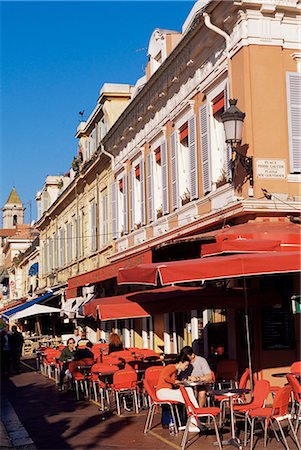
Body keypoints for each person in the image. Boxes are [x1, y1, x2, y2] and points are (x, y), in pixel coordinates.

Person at [156, 354, 200, 432]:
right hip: (163, 392)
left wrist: (179, 383)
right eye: (185, 365)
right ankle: (195, 417)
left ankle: (195, 417)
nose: (186, 367)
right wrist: (175, 382)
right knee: (187, 395)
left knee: (188, 391)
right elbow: (165, 377)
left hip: (166, 391)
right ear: (180, 363)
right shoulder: (171, 367)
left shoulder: (175, 370)